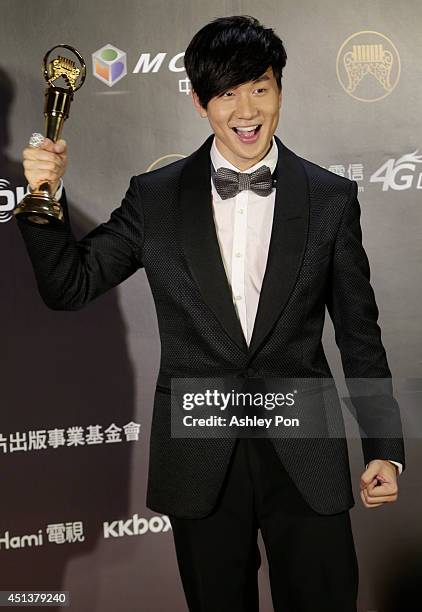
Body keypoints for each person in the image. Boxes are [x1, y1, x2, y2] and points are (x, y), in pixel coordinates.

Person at [17, 15, 405, 612]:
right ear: (199, 101)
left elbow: (359, 332)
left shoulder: (330, 198)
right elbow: (70, 286)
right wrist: (45, 199)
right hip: (200, 451)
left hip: (304, 444)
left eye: (260, 87)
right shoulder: (155, 197)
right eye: (227, 93)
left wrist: (383, 445)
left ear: (280, 90)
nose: (246, 110)